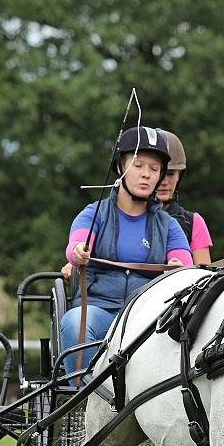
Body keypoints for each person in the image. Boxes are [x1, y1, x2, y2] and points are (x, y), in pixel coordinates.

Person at [60, 125, 192, 377]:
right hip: (98, 311)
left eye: (154, 169)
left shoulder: (168, 224)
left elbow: (185, 261)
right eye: (138, 166)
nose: (147, 175)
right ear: (120, 167)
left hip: (148, 318)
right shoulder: (94, 213)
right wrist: (78, 251)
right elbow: (75, 245)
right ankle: (86, 401)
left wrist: (179, 268)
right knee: (75, 322)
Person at [157, 131, 213, 264]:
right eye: (159, 173)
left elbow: (205, 280)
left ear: (179, 176)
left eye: (170, 174)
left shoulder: (193, 222)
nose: (164, 182)